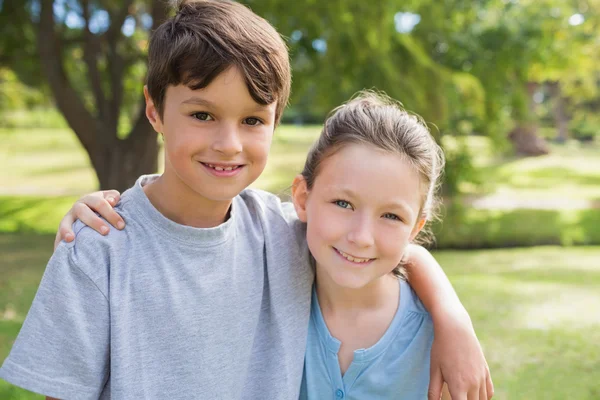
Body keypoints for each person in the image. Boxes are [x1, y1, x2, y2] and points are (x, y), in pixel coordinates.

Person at [1, 1, 492, 399]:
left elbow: (384, 242)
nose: (229, 143)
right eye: (202, 114)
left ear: (275, 122)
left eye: (253, 120)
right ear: (154, 108)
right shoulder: (98, 246)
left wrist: (454, 322)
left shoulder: (280, 231)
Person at [292, 91, 450, 398]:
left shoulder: (436, 340)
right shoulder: (269, 291)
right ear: (302, 199)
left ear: (415, 228)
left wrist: (453, 322)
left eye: (390, 215)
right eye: (343, 203)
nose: (361, 237)